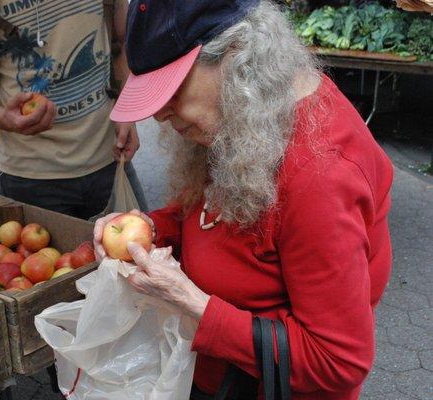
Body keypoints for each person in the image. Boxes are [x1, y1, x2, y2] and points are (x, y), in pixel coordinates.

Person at [93, 1, 394, 399]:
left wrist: (196, 307)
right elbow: (216, 214)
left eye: (170, 90)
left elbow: (337, 362)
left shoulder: (321, 174)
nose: (160, 114)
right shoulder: (247, 112)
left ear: (236, 54)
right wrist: (152, 230)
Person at [0, 0, 147, 219]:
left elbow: (120, 43)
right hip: (30, 180)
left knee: (145, 248)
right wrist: (3, 117)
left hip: (112, 160)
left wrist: (127, 110)